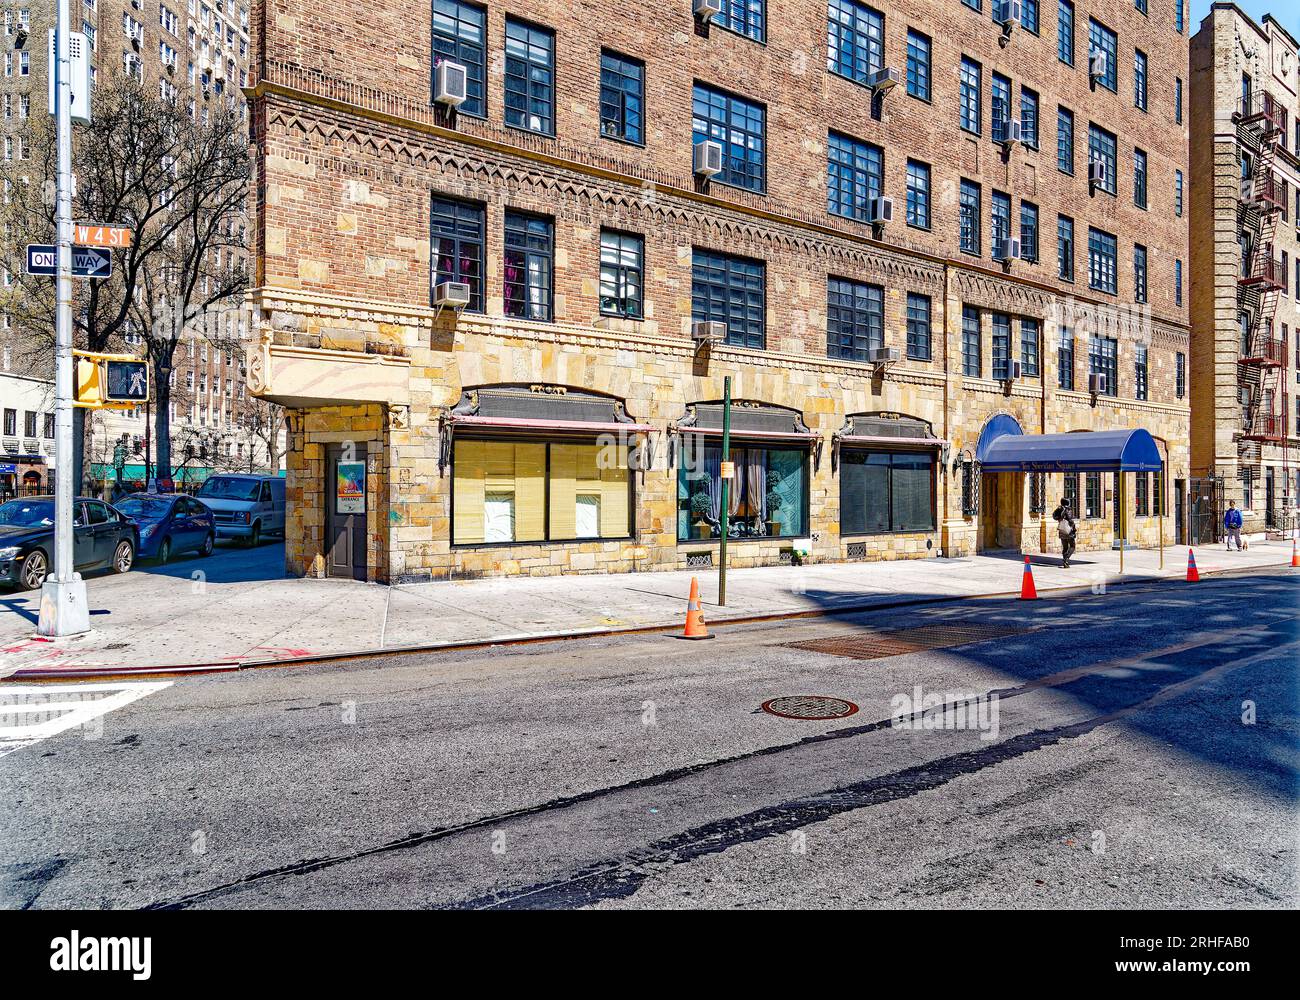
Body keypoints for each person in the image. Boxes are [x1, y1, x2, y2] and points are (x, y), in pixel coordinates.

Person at [1052, 496, 1078, 569]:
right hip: (1068, 530)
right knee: (1072, 546)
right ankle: (1066, 559)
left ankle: (1065, 563)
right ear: (1068, 502)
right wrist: (1074, 527)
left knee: (1065, 547)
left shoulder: (1059, 509)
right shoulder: (1068, 509)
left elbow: (1055, 517)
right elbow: (1070, 520)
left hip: (1062, 530)